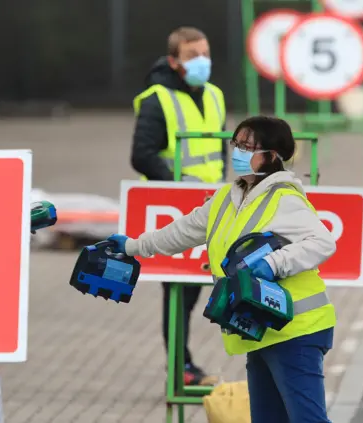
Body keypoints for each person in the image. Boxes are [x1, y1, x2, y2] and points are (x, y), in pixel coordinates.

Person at [112, 116, 336, 422]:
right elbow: (181, 231)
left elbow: (323, 242)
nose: (237, 153)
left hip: (296, 330)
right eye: (236, 145)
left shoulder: (284, 198)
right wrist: (133, 247)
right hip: (261, 327)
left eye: (247, 146)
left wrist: (273, 264)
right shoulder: (226, 199)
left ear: (271, 156)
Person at [130, 26, 227, 385]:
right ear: (174, 61)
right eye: (192, 56)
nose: (202, 61)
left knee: (191, 289)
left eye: (205, 53)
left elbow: (220, 149)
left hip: (208, 206)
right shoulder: (157, 99)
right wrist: (178, 181)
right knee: (177, 291)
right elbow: (141, 155)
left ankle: (183, 366)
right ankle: (180, 367)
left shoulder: (214, 95)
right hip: (170, 210)